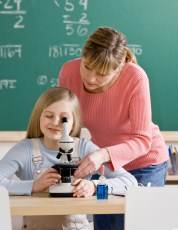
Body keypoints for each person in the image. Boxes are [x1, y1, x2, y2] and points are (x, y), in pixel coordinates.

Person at [58, 27, 169, 230]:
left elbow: (142, 140)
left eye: (101, 74)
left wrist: (102, 155)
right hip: (108, 168)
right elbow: (66, 125)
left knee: (136, 225)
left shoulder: (135, 77)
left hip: (145, 164)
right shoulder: (68, 72)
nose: (91, 78)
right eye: (88, 66)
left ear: (119, 69)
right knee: (106, 224)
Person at [0, 87, 137, 230]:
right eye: (49, 115)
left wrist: (94, 186)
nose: (55, 122)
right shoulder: (25, 149)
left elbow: (130, 182)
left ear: (74, 121)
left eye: (64, 118)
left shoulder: (84, 148)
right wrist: (33, 186)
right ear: (38, 116)